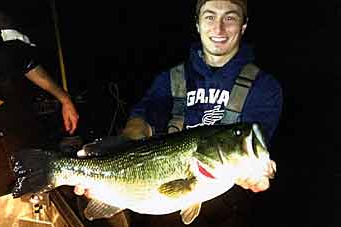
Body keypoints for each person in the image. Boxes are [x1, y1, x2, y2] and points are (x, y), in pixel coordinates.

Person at [75, 0, 282, 226]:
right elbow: (144, 119)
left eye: (230, 18)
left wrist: (254, 172)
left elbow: (254, 150)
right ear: (197, 24)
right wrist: (115, 151)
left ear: (243, 26)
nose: (219, 28)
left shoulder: (264, 87)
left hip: (230, 211)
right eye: (210, 17)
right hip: (161, 207)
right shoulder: (171, 78)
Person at [0, 10, 79, 199]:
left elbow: (27, 65)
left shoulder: (2, 31)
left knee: (28, 178)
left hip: (8, 114)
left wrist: (65, 99)